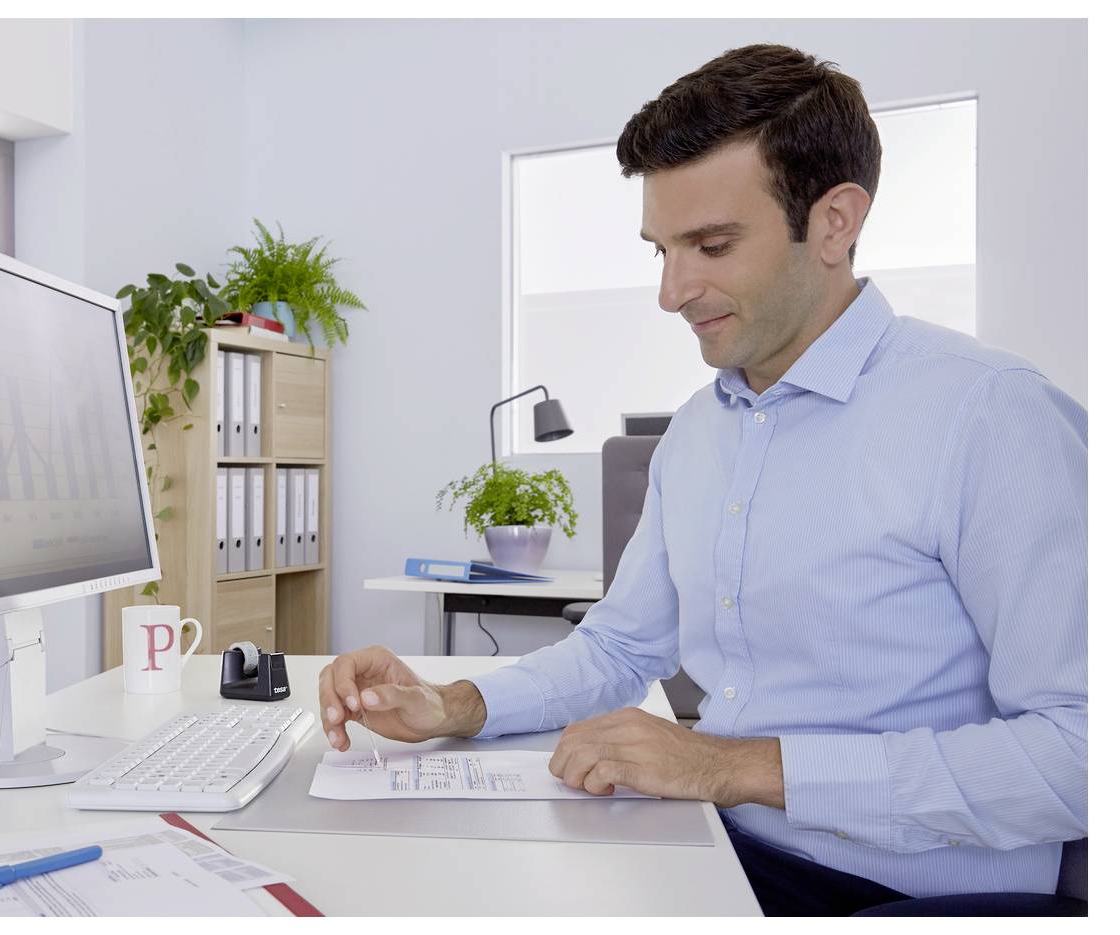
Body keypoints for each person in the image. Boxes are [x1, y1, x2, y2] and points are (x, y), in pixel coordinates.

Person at [320, 44, 1086, 916]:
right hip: (717, 843)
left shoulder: (991, 417)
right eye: (660, 249)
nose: (671, 291)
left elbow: (1083, 749)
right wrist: (450, 703)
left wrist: (728, 766)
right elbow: (619, 647)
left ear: (834, 221)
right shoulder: (700, 428)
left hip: (891, 887)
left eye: (711, 244)